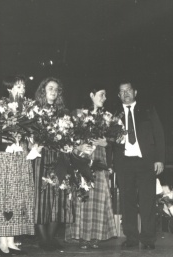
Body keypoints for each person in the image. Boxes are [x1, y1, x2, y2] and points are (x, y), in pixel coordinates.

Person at [112, 81, 165, 250]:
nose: (125, 93)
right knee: (127, 201)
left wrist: (160, 159)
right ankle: (131, 238)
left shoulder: (148, 109)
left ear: (135, 92)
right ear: (119, 95)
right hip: (124, 163)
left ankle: (148, 239)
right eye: (122, 91)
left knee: (147, 201)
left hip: (145, 162)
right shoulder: (114, 114)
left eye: (128, 90)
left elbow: (159, 134)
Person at [65, 85, 117, 249]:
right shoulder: (79, 115)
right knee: (83, 197)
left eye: (105, 95)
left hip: (100, 160)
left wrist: (106, 142)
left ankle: (95, 235)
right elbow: (67, 138)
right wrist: (78, 147)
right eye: (101, 95)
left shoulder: (108, 117)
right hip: (83, 160)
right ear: (91, 95)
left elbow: (115, 139)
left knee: (98, 198)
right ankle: (81, 236)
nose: (104, 98)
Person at [0, 75, 34, 256]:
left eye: (24, 86)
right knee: (6, 195)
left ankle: (11, 239)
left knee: (18, 195)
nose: (22, 90)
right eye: (18, 86)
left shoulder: (26, 108)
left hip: (21, 154)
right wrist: (7, 144)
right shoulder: (0, 106)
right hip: (6, 156)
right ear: (9, 88)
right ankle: (3, 240)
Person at [32, 77, 71, 251]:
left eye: (56, 89)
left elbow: (69, 135)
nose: (53, 92)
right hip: (41, 157)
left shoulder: (63, 112)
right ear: (43, 91)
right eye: (50, 88)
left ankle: (51, 236)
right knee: (41, 198)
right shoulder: (34, 111)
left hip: (59, 157)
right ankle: (44, 238)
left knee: (58, 196)